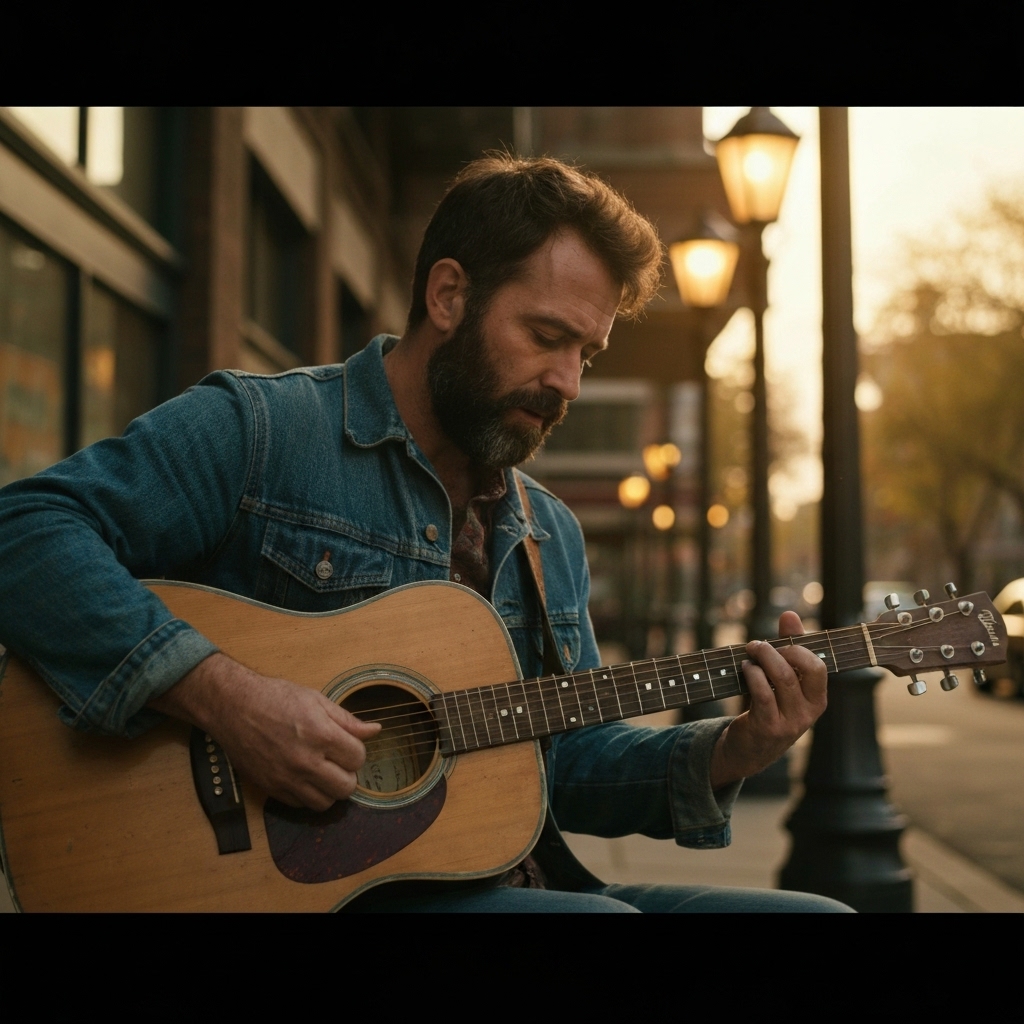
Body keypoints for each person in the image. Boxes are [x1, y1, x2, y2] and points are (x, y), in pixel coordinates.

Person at [0, 154, 850, 912]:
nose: (568, 383)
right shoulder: (265, 429)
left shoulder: (548, 533)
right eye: (547, 337)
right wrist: (228, 697)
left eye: (585, 355)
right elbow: (24, 530)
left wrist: (736, 748)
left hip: (509, 878)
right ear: (448, 295)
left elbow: (566, 764)